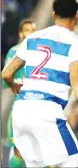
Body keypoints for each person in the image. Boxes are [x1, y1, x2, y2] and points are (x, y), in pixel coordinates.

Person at [1, 0, 78, 168]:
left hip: (22, 110)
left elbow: (6, 74)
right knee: (73, 160)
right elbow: (77, 79)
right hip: (47, 110)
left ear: (53, 15)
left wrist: (14, 85)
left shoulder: (32, 38)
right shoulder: (77, 43)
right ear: (76, 16)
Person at [2, 18, 37, 168]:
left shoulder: (43, 52)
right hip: (22, 108)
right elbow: (5, 79)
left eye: (33, 30)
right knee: (20, 152)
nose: (30, 34)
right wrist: (18, 83)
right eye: (27, 30)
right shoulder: (15, 52)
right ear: (20, 33)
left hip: (41, 108)